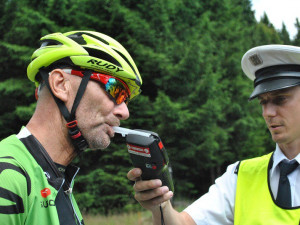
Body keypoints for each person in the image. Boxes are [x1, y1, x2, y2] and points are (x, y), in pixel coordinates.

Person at [127, 44, 300, 224]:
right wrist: (160, 204)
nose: (268, 112)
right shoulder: (240, 176)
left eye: (280, 99)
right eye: (263, 102)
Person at [0, 31, 142, 225]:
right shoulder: (7, 175)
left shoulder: (56, 179)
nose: (124, 112)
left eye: (125, 99)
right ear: (60, 84)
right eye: (115, 90)